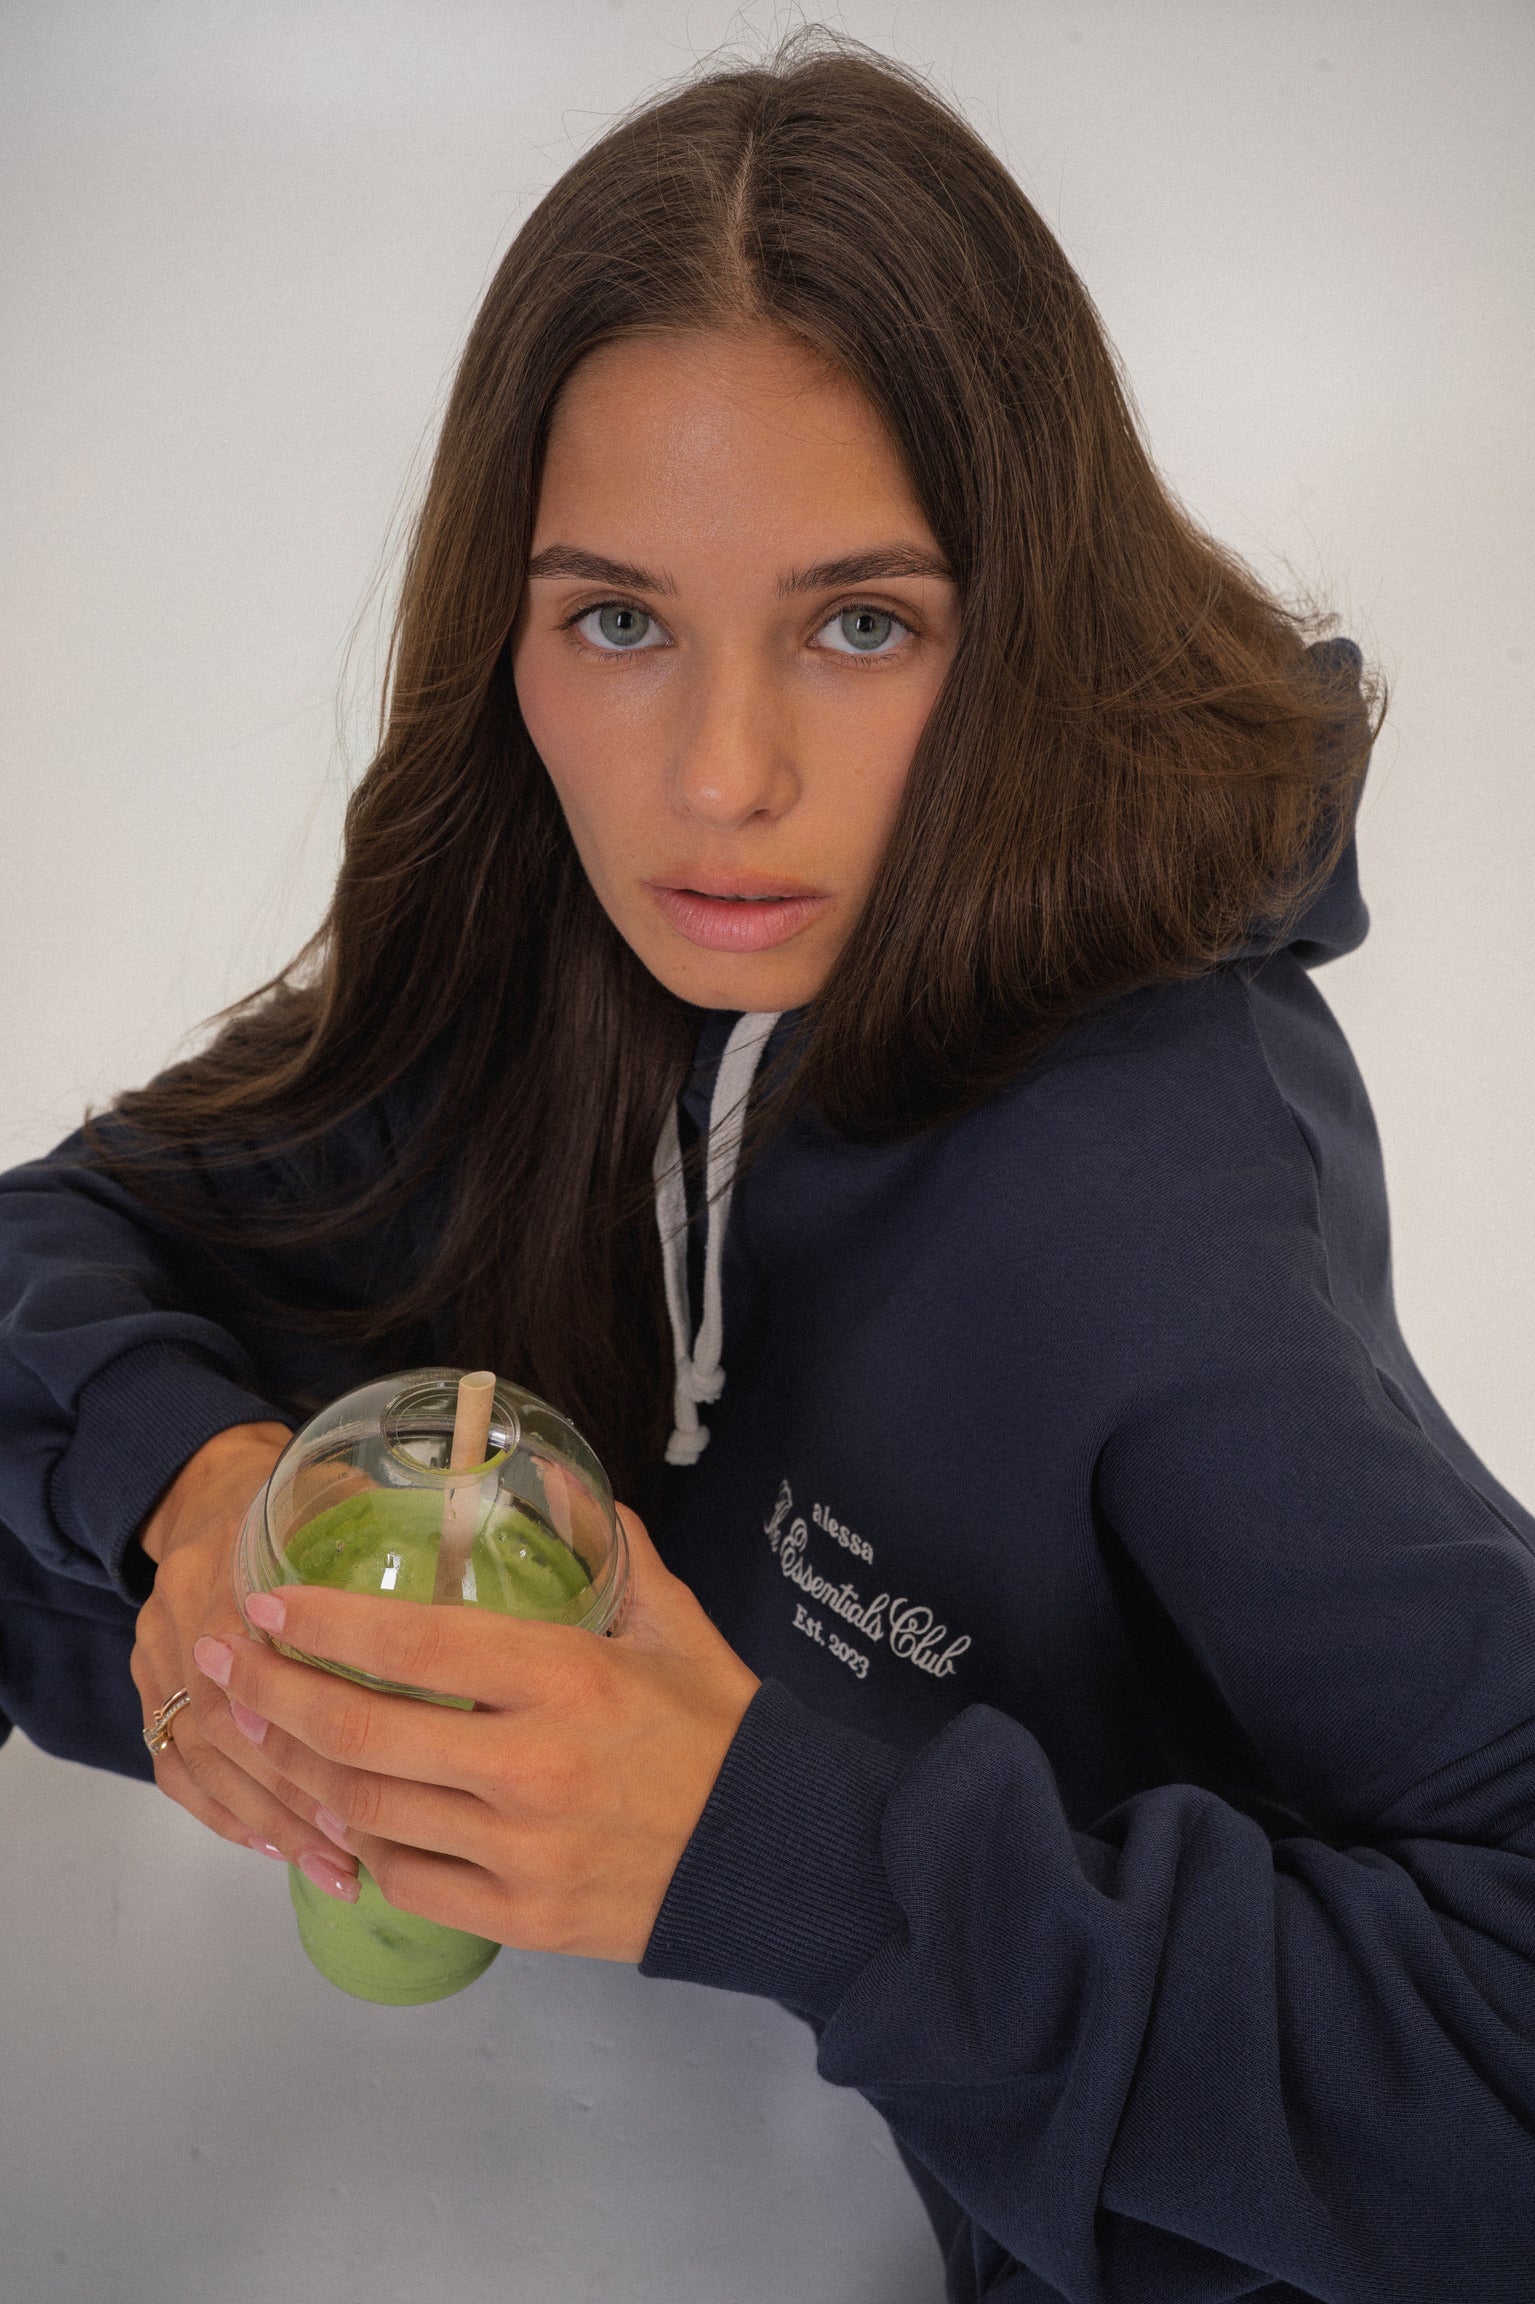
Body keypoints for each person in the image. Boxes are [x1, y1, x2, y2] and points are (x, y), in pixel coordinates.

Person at [2, 36, 1532, 2304]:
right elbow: (67, 1244)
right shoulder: (596, 963)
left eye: (861, 624)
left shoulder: (1155, 1205)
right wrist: (195, 1507)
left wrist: (773, 1854)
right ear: (509, 638)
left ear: (1030, 627)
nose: (722, 779)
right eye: (620, 621)